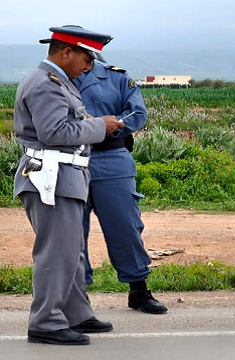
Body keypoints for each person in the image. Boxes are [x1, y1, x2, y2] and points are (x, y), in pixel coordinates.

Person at [13, 25, 125, 345]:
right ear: (66, 53)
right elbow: (55, 132)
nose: (89, 67)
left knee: (71, 251)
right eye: (87, 59)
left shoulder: (58, 82)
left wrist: (92, 125)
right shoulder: (46, 84)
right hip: (51, 178)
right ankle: (46, 322)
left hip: (62, 177)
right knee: (56, 254)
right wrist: (99, 126)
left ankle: (75, 313)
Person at [72, 60, 168, 314]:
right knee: (71, 232)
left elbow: (137, 113)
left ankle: (138, 289)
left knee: (125, 227)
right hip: (70, 158)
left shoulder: (118, 79)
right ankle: (77, 297)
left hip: (112, 158)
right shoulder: (59, 76)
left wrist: (105, 131)